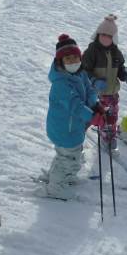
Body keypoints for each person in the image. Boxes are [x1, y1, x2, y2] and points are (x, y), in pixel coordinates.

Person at [44, 34, 103, 200]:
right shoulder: (60, 83)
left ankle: (60, 176)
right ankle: (55, 187)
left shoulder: (80, 73)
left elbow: (89, 90)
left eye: (75, 58)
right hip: (64, 129)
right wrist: (92, 117)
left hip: (73, 127)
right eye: (68, 59)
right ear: (60, 62)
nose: (73, 62)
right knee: (69, 158)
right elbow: (75, 106)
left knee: (66, 156)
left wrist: (95, 104)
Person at [81, 15, 127, 152]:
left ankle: (108, 137)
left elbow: (120, 68)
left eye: (109, 36)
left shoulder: (116, 53)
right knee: (91, 116)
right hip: (95, 94)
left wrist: (125, 74)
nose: (105, 38)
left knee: (111, 116)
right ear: (98, 34)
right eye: (102, 34)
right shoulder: (92, 51)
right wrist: (94, 81)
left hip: (112, 93)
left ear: (113, 38)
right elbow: (84, 71)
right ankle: (77, 139)